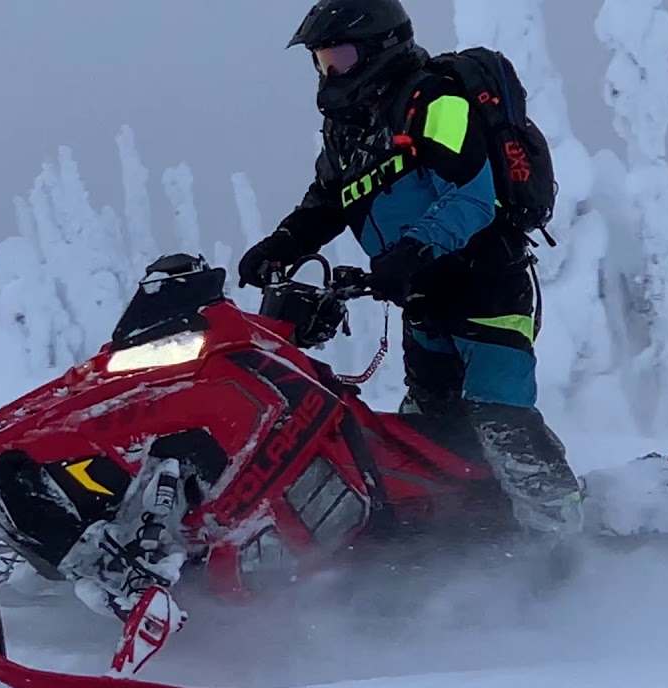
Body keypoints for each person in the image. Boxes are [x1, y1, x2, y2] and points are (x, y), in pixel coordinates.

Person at [237, 0, 583, 539]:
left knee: (500, 416)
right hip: (424, 300)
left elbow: (473, 194)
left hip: (485, 285)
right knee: (429, 432)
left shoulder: (433, 100)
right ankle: (457, 531)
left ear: (381, 47)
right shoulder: (347, 131)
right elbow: (327, 201)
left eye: (340, 57)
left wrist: (413, 249)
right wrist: (281, 245)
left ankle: (562, 541)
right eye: (323, 61)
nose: (331, 72)